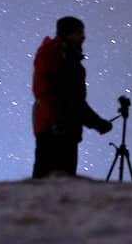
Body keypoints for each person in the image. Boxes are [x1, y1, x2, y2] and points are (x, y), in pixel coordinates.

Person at [31, 16, 113, 178]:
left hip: (69, 131)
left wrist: (97, 123)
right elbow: (44, 91)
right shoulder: (50, 54)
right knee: (44, 181)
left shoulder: (75, 65)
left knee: (64, 182)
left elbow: (77, 103)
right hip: (51, 130)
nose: (83, 37)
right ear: (67, 34)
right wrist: (55, 121)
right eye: (79, 33)